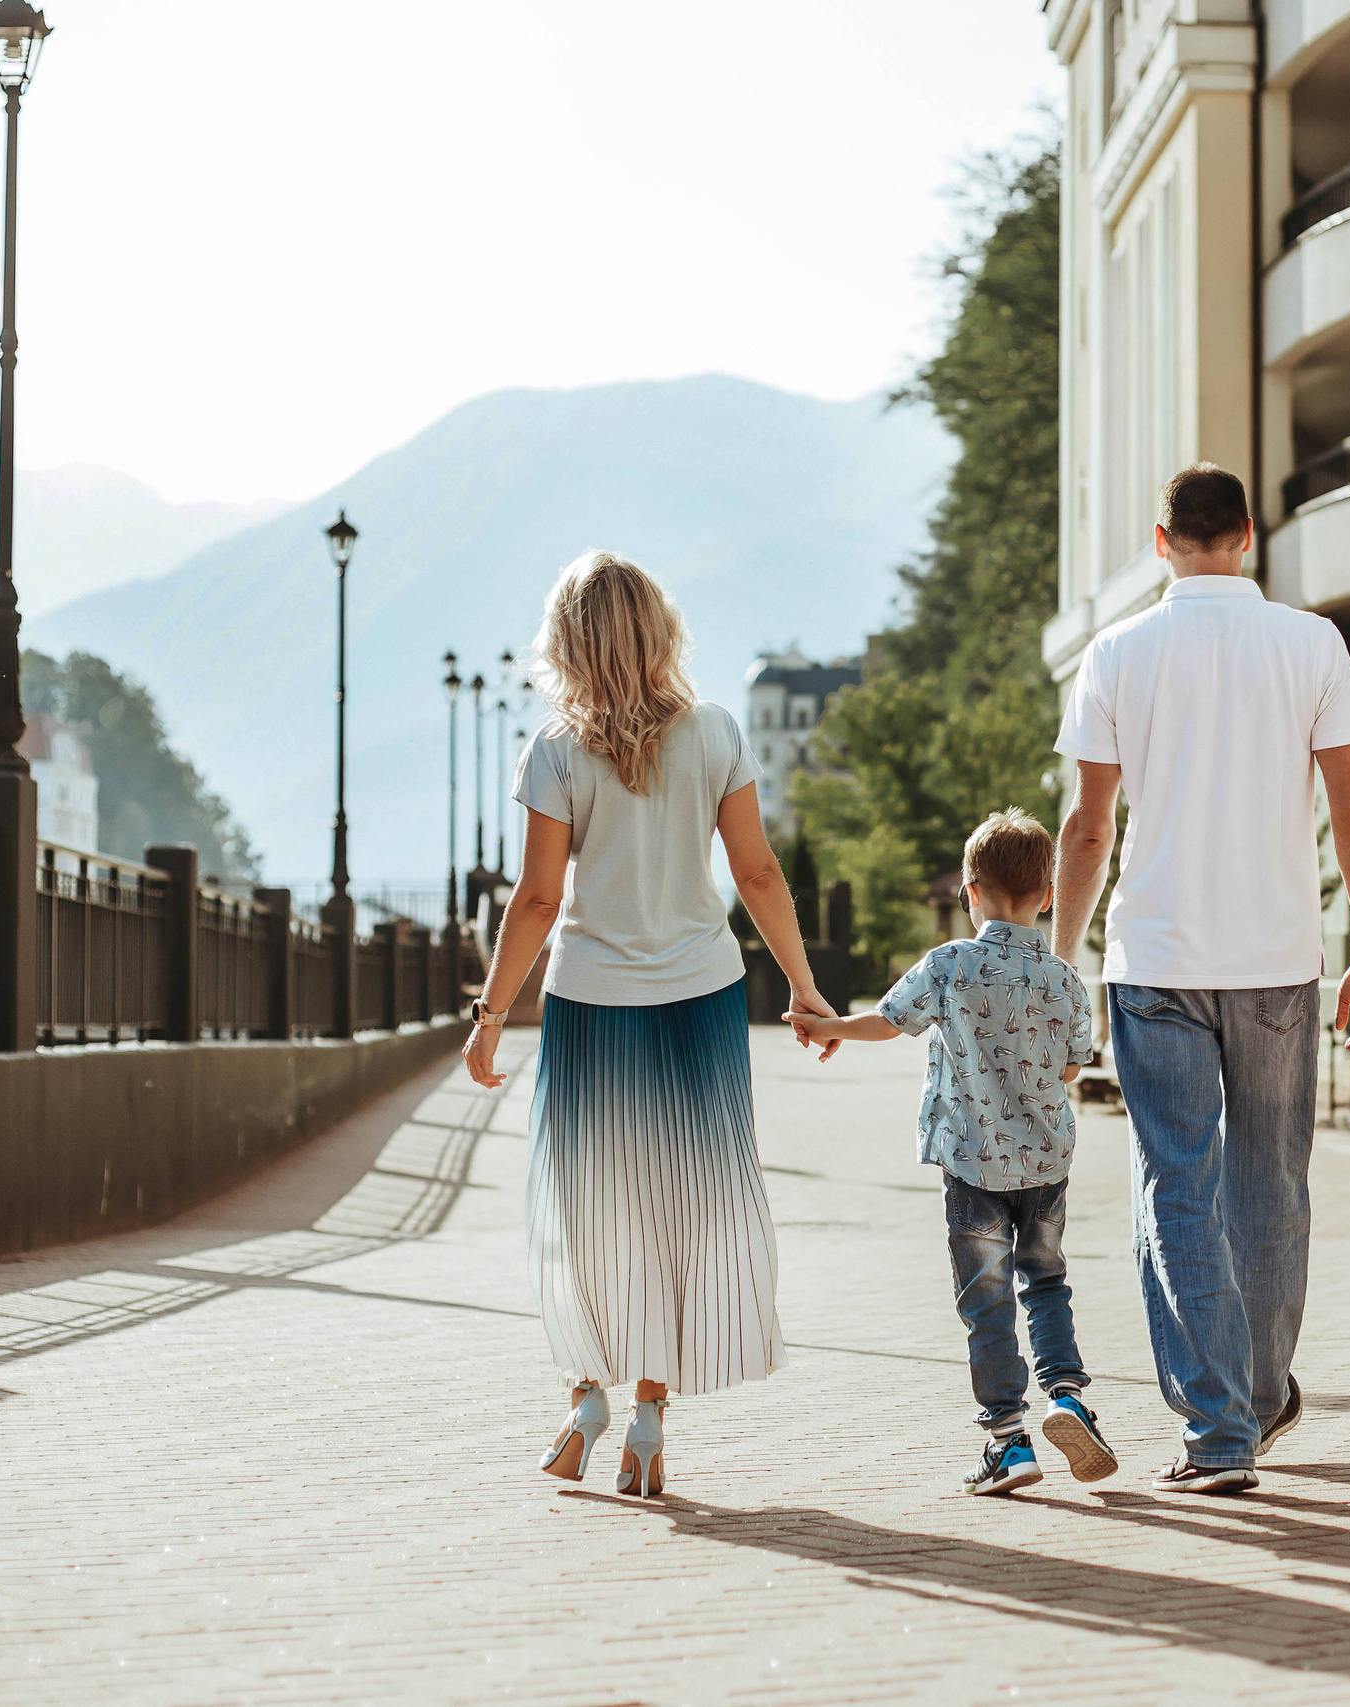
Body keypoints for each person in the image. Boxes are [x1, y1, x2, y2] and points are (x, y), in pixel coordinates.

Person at [461, 550, 838, 1499]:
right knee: (681, 1207)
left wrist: (491, 1015)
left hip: (591, 1006)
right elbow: (756, 873)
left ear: (569, 643)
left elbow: (539, 897)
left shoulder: (554, 750)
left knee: (591, 1208)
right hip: (702, 997)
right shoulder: (713, 732)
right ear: (660, 629)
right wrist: (803, 986)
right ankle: (647, 1419)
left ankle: (585, 1394)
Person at [1050, 463, 1350, 1497]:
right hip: (1279, 960)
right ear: (1248, 536)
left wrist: (1059, 963)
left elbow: (1087, 826)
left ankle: (1219, 1428)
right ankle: (1257, 1390)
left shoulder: (1117, 652)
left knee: (1176, 1188)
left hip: (1152, 962)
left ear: (1161, 541)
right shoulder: (1311, 643)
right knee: (1271, 1189)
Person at [788, 809, 1112, 1496]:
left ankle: (1008, 1440)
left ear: (969, 890)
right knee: (1046, 1279)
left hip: (971, 1163)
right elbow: (1074, 1064)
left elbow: (889, 1019)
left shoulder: (950, 965)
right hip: (1046, 1164)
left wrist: (830, 1025)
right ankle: (1068, 1396)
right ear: (1047, 894)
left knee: (986, 1301)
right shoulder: (1062, 978)